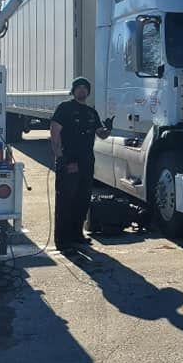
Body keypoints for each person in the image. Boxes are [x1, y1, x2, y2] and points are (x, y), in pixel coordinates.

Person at [50, 77, 112, 253]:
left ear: (88, 92)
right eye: (79, 87)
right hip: (69, 160)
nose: (82, 90)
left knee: (82, 199)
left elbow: (101, 134)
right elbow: (55, 131)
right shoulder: (65, 108)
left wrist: (108, 129)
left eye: (85, 88)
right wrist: (61, 158)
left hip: (87, 162)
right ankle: (63, 240)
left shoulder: (91, 112)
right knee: (66, 201)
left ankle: (77, 234)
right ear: (73, 90)